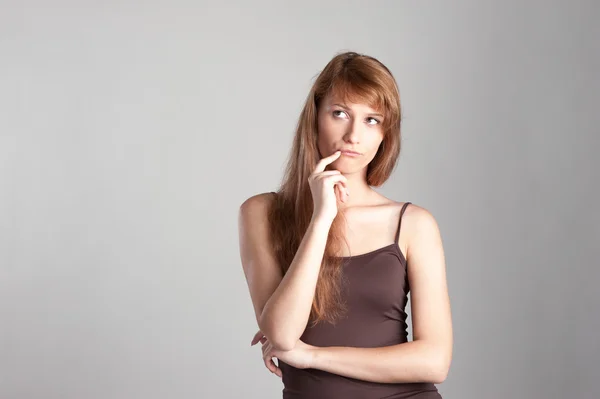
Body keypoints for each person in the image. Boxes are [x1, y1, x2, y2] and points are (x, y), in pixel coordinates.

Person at [238, 51, 453, 398]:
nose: (354, 134)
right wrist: (322, 219)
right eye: (340, 113)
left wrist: (312, 356)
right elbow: (281, 333)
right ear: (315, 117)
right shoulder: (261, 212)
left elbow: (434, 361)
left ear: (385, 133)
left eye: (372, 120)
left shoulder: (413, 224)